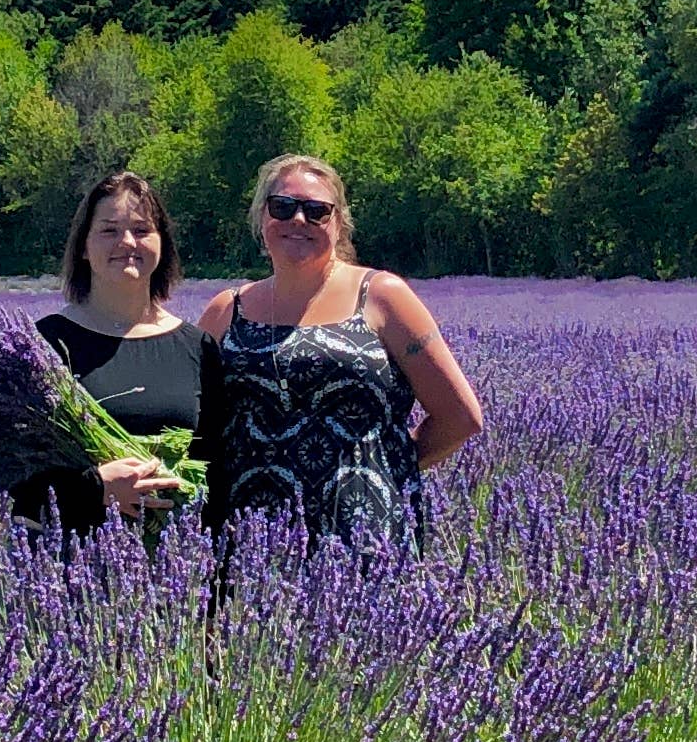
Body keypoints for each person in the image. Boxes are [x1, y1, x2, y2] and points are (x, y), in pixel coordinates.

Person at [197, 153, 483, 548]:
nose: (298, 220)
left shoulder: (383, 297)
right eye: (282, 207)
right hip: (249, 538)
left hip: (363, 536)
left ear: (339, 222)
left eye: (317, 211)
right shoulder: (227, 310)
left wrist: (384, 466)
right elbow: (193, 424)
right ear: (262, 218)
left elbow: (460, 415)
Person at [14, 171, 210, 535]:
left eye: (141, 229)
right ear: (84, 248)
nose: (126, 241)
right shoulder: (42, 346)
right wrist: (94, 487)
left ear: (162, 243)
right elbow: (15, 481)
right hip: (68, 567)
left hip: (182, 569)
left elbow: (218, 468)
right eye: (108, 230)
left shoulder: (197, 348)